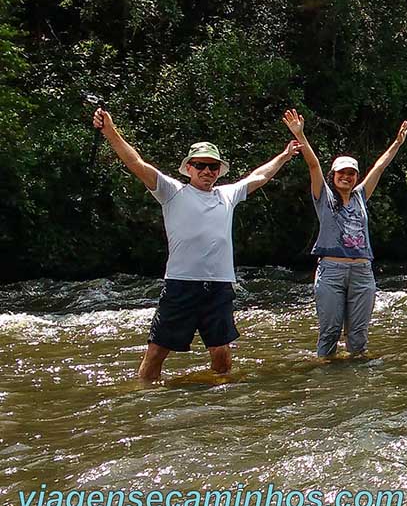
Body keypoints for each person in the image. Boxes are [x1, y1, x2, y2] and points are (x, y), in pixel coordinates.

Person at [92, 107, 298, 383]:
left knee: (222, 353)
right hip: (181, 284)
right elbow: (136, 164)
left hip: (219, 286)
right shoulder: (171, 191)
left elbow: (259, 177)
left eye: (212, 166)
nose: (207, 171)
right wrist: (110, 131)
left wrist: (284, 157)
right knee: (156, 351)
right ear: (189, 167)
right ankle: (143, 396)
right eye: (200, 165)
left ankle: (218, 402)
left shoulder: (228, 194)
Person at [283, 109, 407, 357]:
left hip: (362, 272)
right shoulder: (323, 197)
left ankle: (356, 383)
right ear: (333, 176)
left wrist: (397, 143)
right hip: (332, 271)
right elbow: (313, 164)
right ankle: (327, 382)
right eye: (342, 173)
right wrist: (300, 134)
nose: (347, 177)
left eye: (351, 173)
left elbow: (380, 167)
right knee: (329, 332)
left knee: (358, 337)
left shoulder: (361, 196)